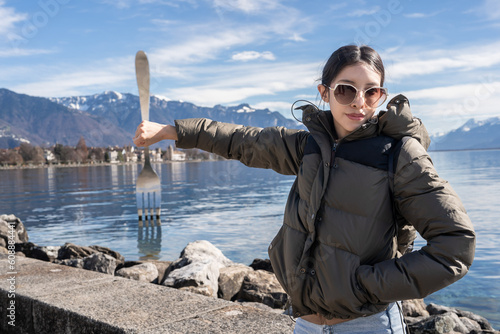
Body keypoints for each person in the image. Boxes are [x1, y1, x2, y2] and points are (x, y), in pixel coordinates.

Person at [133, 45, 475, 334]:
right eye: (345, 89)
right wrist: (170, 131)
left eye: (372, 91)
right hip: (306, 323)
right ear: (324, 93)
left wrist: (365, 284)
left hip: (367, 324)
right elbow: (241, 140)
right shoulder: (309, 146)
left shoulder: (399, 155)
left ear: (381, 96)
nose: (359, 102)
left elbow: (456, 245)